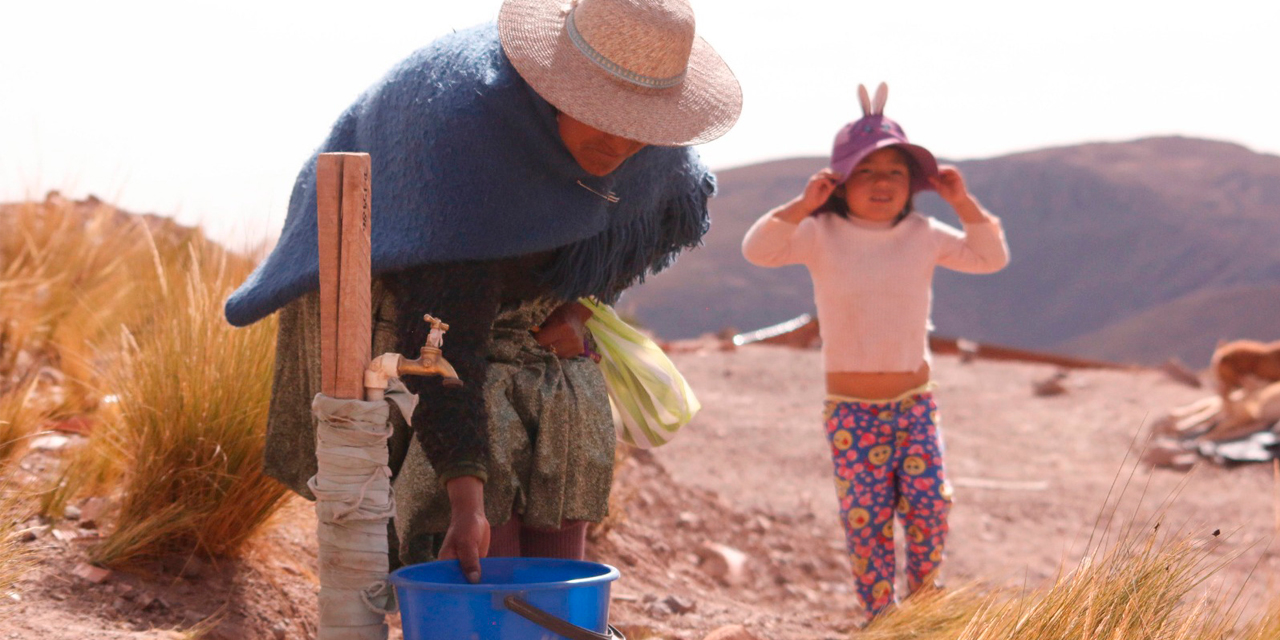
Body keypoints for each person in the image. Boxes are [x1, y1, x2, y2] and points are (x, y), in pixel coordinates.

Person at [224, 0, 740, 584]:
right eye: (604, 115)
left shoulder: (657, 159)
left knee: (552, 574)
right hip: (398, 290)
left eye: (639, 127)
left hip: (519, 329)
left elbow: (633, 236)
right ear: (557, 90)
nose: (622, 144)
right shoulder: (461, 145)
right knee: (481, 556)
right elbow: (439, 346)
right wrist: (467, 503)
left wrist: (579, 306)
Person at [741, 83, 1009, 621]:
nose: (882, 182)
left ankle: (925, 609)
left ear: (914, 184)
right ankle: (880, 620)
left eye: (895, 171)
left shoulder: (923, 233)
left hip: (913, 403)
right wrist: (801, 205)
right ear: (838, 183)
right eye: (865, 171)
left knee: (931, 507)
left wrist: (962, 202)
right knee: (867, 520)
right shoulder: (820, 233)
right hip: (851, 412)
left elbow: (990, 257)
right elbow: (759, 249)